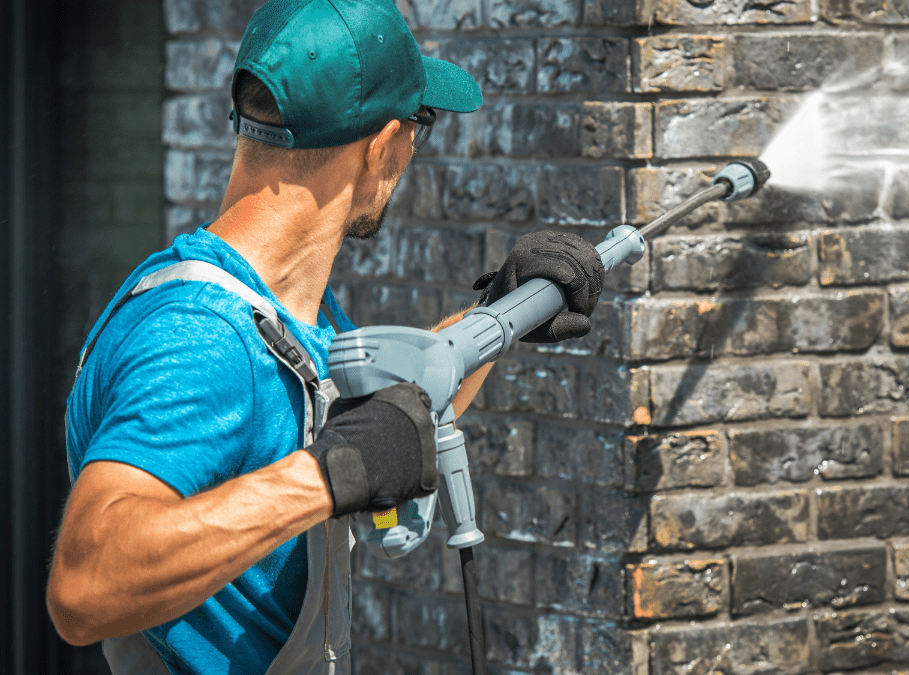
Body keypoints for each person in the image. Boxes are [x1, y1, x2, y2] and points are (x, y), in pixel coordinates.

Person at [44, 1, 605, 674]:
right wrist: (328, 476)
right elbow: (86, 584)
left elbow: (377, 421)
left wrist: (498, 315)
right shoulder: (204, 338)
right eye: (420, 126)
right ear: (383, 144)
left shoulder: (277, 311)